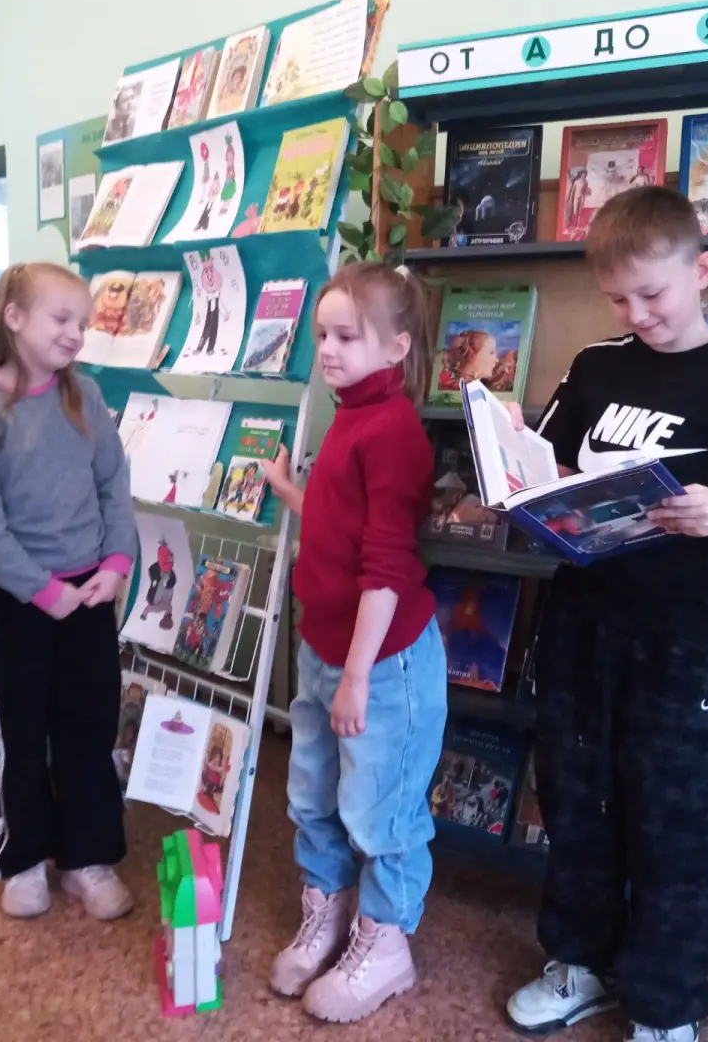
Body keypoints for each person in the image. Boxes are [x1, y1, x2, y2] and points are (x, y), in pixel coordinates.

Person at [504, 187, 708, 1042]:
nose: (637, 315)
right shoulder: (596, 366)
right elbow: (546, 474)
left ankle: (665, 1003)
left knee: (676, 822)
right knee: (576, 799)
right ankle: (581, 962)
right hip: (583, 621)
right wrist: (511, 464)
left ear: (702, 271)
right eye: (619, 299)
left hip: (684, 638)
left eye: (652, 294)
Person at [261, 261, 447, 1024]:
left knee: (381, 810)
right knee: (312, 793)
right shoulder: (350, 414)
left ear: (396, 346)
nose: (328, 350)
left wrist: (358, 677)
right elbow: (346, 525)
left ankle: (387, 942)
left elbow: (387, 564)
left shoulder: (393, 431)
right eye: (322, 335)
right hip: (324, 648)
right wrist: (293, 495)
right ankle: (329, 911)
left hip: (381, 665)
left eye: (346, 336)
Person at [0, 262, 137, 923]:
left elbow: (113, 486)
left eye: (83, 323)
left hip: (90, 592)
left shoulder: (86, 396)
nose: (76, 333)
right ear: (15, 317)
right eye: (62, 318)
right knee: (21, 730)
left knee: (88, 725)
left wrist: (116, 563)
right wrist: (42, 590)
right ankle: (23, 857)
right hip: (15, 597)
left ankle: (88, 857)